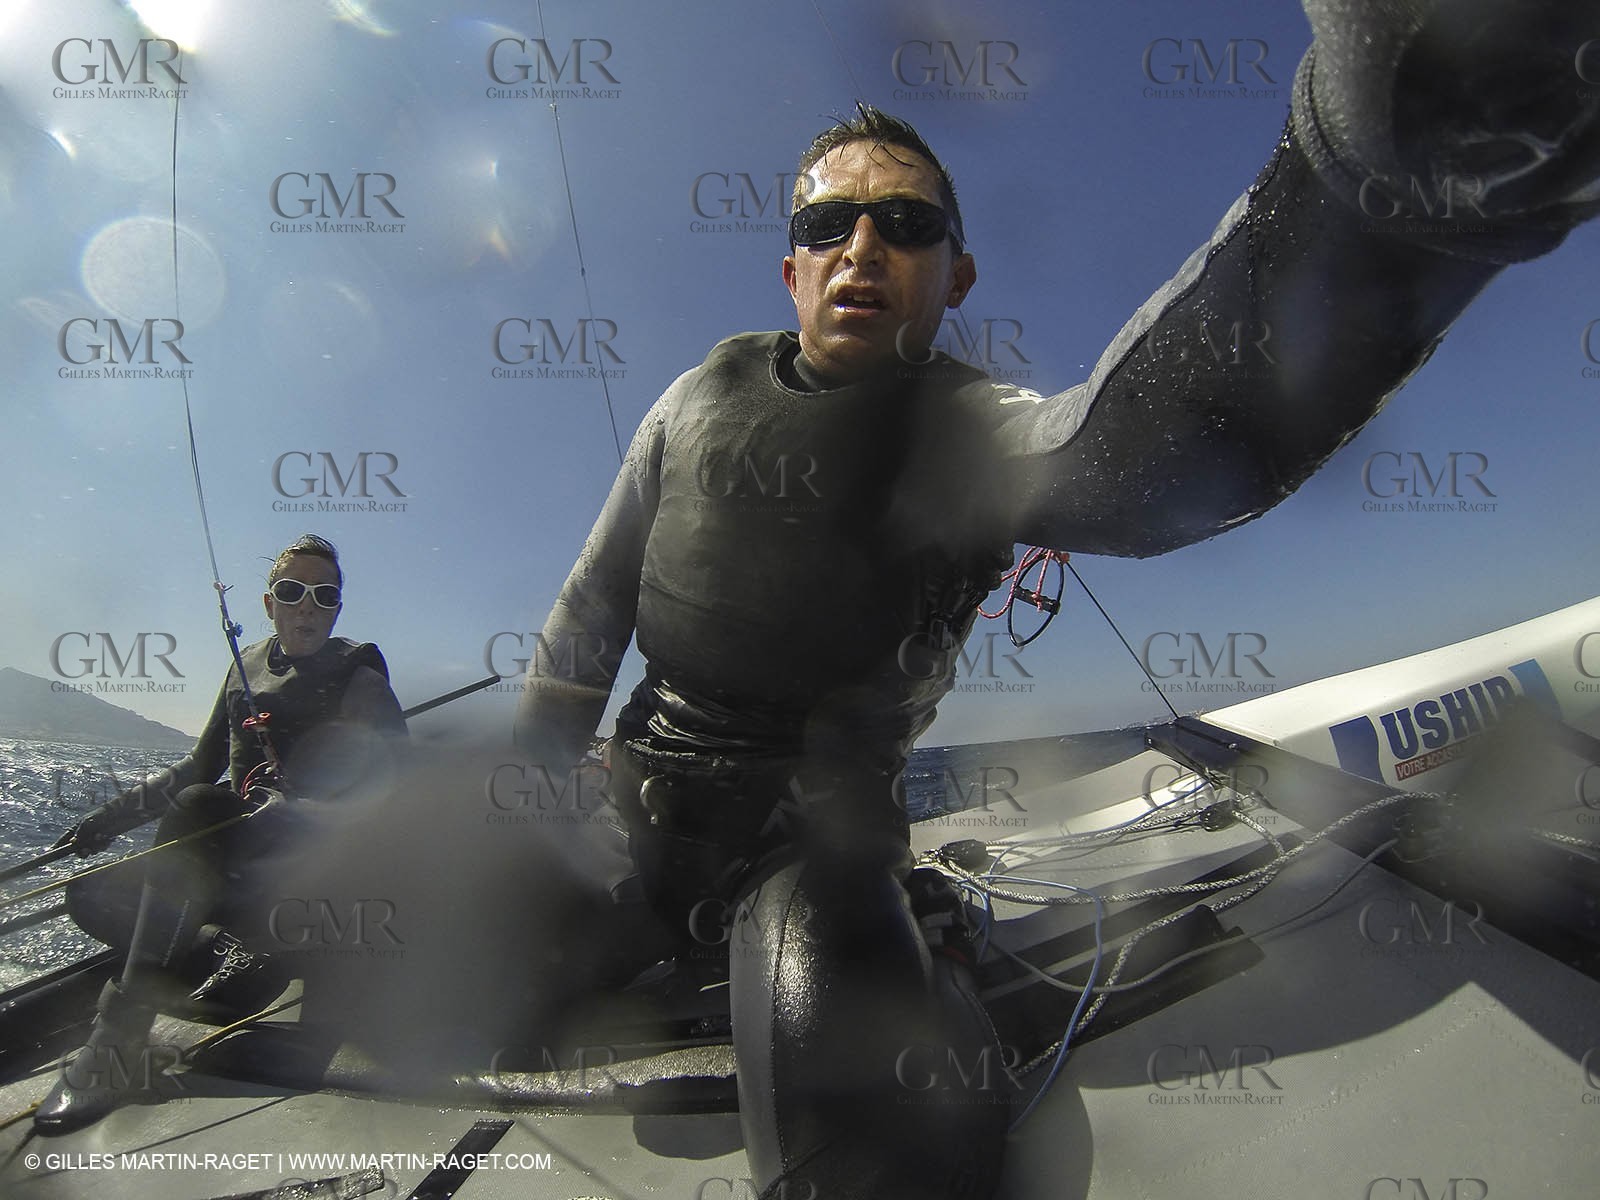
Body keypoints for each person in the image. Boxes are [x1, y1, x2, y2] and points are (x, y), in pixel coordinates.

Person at [514, 6, 1600, 1196]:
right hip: (627, 824)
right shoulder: (694, 394)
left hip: (812, 869)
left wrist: (1399, 177)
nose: (862, 245)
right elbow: (586, 619)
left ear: (955, 272)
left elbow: (1144, 460)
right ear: (790, 266)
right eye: (828, 223)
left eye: (907, 223)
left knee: (854, 1133)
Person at [34, 534, 407, 1135]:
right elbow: (195, 766)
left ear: (338, 606)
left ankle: (118, 1038)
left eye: (325, 595)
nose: (308, 606)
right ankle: (235, 955)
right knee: (90, 893)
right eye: (293, 592)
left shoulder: (358, 674)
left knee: (200, 808)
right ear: (269, 603)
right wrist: (108, 819)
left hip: (313, 879)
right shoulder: (244, 669)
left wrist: (302, 810)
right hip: (236, 874)